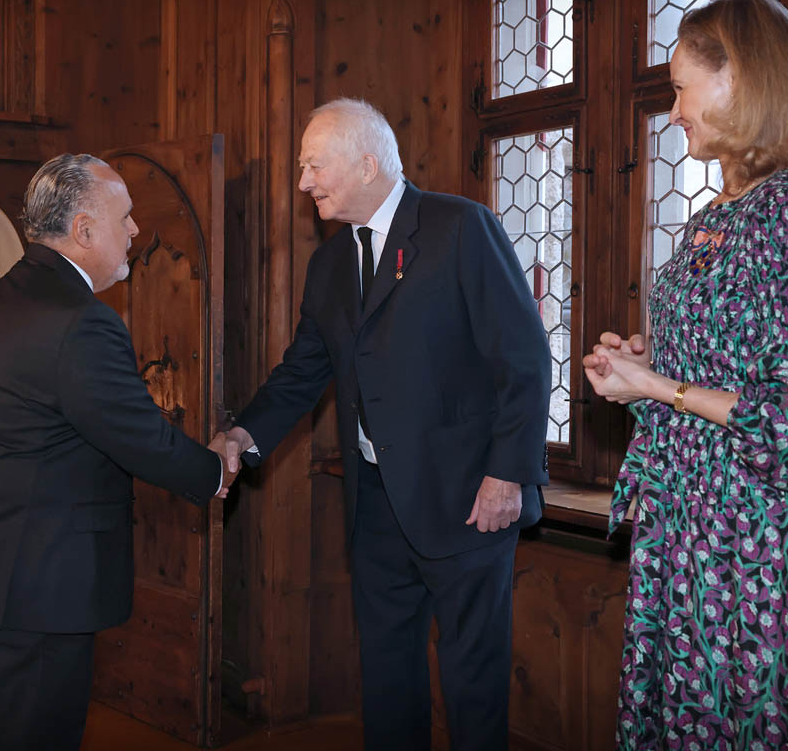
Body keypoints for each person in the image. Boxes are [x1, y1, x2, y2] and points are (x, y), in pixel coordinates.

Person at [214, 98, 551, 751]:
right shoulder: (329, 265)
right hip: (374, 504)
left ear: (367, 165)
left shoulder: (460, 228)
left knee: (472, 680)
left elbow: (526, 358)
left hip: (469, 500)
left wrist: (507, 475)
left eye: (314, 166)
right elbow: (302, 373)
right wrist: (242, 436)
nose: (304, 182)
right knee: (387, 675)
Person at [582, 0, 788, 749]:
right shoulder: (716, 216)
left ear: (736, 79)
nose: (673, 111)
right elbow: (724, 374)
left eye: (681, 88)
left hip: (754, 545)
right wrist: (643, 369)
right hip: (693, 530)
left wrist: (657, 387)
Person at [0, 153, 237, 751]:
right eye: (124, 217)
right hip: (43, 577)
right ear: (83, 229)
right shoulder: (80, 321)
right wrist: (215, 469)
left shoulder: (5, 297)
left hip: (2, 562)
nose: (135, 230)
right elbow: (138, 437)